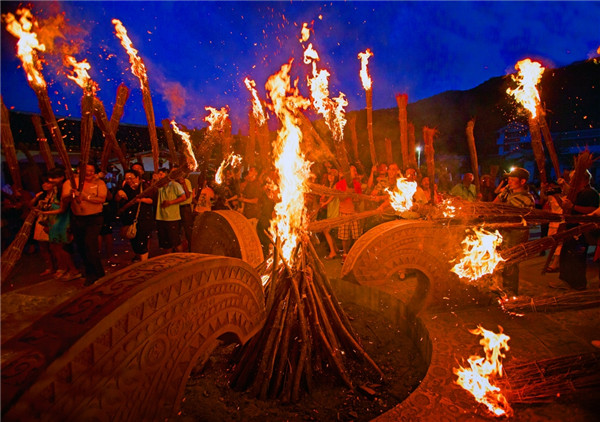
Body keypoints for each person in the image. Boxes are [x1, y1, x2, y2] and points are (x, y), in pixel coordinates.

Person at [552, 170, 599, 290]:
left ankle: (578, 284)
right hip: (571, 229)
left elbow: (592, 210)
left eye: (573, 178)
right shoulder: (578, 192)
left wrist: (573, 206)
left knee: (576, 257)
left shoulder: (590, 192)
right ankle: (567, 281)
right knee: (567, 256)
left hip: (580, 231)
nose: (571, 181)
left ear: (581, 178)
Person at [62, 163, 107, 285]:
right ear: (79, 170)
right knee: (81, 246)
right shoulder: (70, 183)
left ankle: (96, 273)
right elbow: (64, 199)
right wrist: (72, 194)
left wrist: (85, 196)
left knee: (90, 244)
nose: (89, 173)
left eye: (92, 170)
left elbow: (102, 199)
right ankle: (91, 271)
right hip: (77, 218)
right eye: (87, 170)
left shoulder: (99, 183)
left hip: (94, 218)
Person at [493, 167, 535, 295]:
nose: (509, 182)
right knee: (500, 261)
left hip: (516, 234)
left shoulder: (526, 199)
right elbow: (494, 204)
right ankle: (502, 288)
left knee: (511, 263)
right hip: (503, 232)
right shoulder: (508, 193)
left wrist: (503, 217)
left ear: (522, 182)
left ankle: (511, 292)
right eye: (509, 179)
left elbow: (518, 220)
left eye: (512, 179)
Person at [115, 170, 155, 262]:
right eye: (127, 178)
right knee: (134, 241)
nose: (129, 180)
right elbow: (117, 200)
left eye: (131, 178)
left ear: (137, 177)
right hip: (129, 219)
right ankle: (139, 258)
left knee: (142, 241)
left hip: (143, 218)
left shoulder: (144, 186)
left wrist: (141, 200)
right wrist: (119, 193)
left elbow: (152, 200)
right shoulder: (125, 187)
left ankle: (144, 262)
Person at [155, 168, 187, 253]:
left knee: (175, 241)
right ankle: (169, 258)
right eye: (158, 174)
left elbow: (183, 197)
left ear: (167, 175)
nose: (159, 176)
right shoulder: (159, 186)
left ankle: (181, 257)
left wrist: (170, 202)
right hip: (160, 217)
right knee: (166, 243)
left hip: (172, 218)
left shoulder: (175, 185)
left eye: (161, 174)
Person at [336, 165, 363, 262]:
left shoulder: (357, 184)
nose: (355, 173)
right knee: (344, 237)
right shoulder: (340, 184)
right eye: (353, 171)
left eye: (355, 171)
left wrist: (356, 199)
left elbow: (360, 198)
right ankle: (345, 254)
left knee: (357, 235)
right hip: (344, 213)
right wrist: (347, 192)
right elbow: (340, 198)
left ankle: (355, 254)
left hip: (355, 213)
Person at [320, 169, 340, 260]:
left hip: (335, 211)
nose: (330, 177)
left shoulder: (336, 185)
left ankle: (332, 252)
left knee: (326, 230)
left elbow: (332, 196)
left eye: (333, 175)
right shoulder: (330, 186)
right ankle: (335, 249)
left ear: (335, 177)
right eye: (329, 175)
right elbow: (326, 196)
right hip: (331, 211)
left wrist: (325, 203)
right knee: (329, 231)